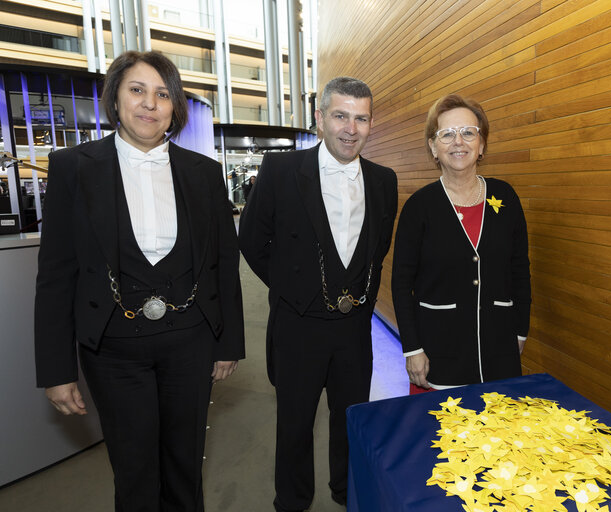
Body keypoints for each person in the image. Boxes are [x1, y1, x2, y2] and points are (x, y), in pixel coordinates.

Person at [34, 50, 245, 511]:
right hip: (112, 349)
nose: (150, 104)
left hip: (190, 342)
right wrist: (56, 370)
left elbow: (224, 264)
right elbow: (55, 274)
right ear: (115, 99)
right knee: (133, 470)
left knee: (185, 463)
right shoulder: (72, 166)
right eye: (137, 90)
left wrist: (228, 342)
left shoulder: (204, 173)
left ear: (175, 108)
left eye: (163, 94)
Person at [239, 76, 397, 511]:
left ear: (370, 123)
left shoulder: (384, 180)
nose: (351, 128)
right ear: (319, 119)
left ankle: (348, 492)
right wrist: (296, 290)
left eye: (361, 118)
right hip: (297, 324)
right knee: (294, 423)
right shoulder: (281, 171)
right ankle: (292, 500)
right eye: (341, 115)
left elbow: (377, 247)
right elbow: (252, 242)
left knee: (351, 418)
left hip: (353, 327)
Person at [391, 94, 531, 393]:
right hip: (439, 353)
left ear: (481, 145)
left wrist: (521, 331)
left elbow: (520, 270)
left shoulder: (505, 197)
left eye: (468, 132)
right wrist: (412, 349)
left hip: (499, 351)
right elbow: (402, 284)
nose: (459, 142)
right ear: (433, 146)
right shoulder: (419, 207)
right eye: (447, 134)